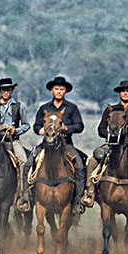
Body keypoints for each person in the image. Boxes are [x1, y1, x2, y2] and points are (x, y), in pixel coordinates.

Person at [23, 76, 87, 214]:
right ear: (52, 91)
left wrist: (66, 128)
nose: (59, 91)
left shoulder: (72, 108)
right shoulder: (44, 108)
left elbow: (80, 126)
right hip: (46, 144)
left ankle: (78, 200)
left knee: (80, 166)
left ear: (65, 91)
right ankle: (26, 197)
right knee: (28, 164)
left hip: (66, 145)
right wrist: (39, 129)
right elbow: (36, 126)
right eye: (56, 89)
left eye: (61, 89)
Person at [83, 80, 128, 207]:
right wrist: (109, 134)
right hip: (110, 146)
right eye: (123, 91)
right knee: (92, 162)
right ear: (119, 93)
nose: (125, 93)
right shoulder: (110, 110)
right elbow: (100, 129)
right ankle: (90, 193)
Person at [0, 77, 31, 211]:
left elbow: (26, 125)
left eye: (8, 89)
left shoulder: (19, 106)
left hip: (13, 141)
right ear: (0, 90)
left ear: (12, 90)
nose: (6, 92)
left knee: (23, 162)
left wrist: (15, 130)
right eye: (3, 89)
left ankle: (23, 194)